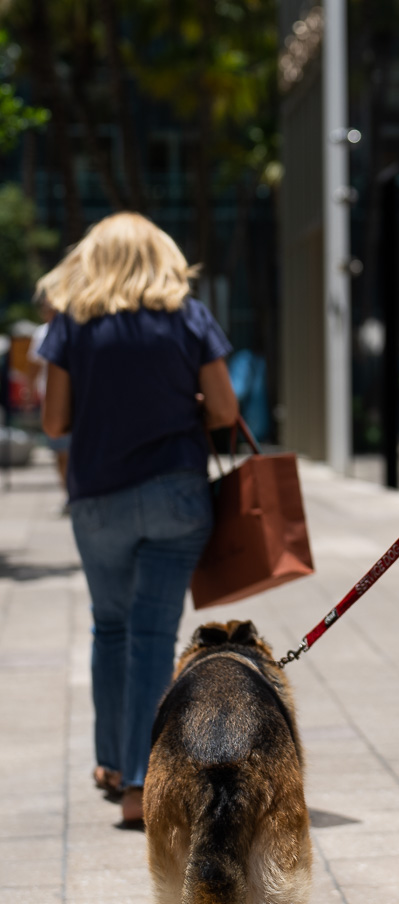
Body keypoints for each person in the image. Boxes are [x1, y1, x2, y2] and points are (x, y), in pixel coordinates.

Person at [35, 211, 238, 826]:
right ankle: (140, 784)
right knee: (152, 632)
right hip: (175, 492)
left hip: (98, 498)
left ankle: (110, 763)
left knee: (110, 627)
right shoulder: (187, 316)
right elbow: (226, 408)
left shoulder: (72, 322)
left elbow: (52, 423)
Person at [25, 295, 71, 503]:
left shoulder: (72, 328)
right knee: (61, 453)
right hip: (53, 398)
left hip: (75, 401)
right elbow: (34, 366)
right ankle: (68, 494)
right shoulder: (42, 332)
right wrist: (28, 392)